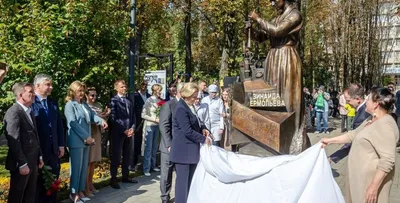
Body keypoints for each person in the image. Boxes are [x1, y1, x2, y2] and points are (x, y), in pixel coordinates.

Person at [248, 0, 307, 153]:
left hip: (287, 58)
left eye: (275, 0)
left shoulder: (295, 15)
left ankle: (291, 137)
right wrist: (250, 30)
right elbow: (262, 38)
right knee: (272, 96)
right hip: (273, 58)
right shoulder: (276, 18)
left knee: (288, 98)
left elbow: (276, 31)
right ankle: (272, 134)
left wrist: (258, 18)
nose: (273, 3)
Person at [322, 87, 398, 203]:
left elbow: (387, 160)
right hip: (359, 179)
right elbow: (352, 135)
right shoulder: (370, 119)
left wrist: (373, 187)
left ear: (376, 104)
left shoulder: (385, 125)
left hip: (368, 182)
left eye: (368, 99)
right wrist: (329, 140)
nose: (365, 101)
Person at [64, 81, 108, 203]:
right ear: (73, 91)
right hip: (77, 140)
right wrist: (86, 137)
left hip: (86, 141)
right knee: (76, 168)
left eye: (83, 91)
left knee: (83, 168)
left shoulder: (84, 104)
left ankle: (81, 190)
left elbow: (92, 116)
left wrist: (101, 121)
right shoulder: (70, 105)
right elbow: (73, 124)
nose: (82, 93)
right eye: (79, 91)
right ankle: (73, 193)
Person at [170, 82, 212, 203]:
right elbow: (187, 131)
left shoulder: (190, 106)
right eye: (193, 96)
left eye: (196, 96)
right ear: (186, 95)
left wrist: (203, 129)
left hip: (190, 151)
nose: (196, 98)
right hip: (183, 152)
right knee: (183, 185)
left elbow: (196, 122)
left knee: (190, 183)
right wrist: (204, 139)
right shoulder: (181, 108)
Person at [5, 82, 44, 203]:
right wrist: (22, 163)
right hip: (21, 164)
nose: (33, 95)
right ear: (20, 94)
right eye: (30, 92)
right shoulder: (14, 112)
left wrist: (40, 156)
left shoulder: (29, 111)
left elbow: (34, 136)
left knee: (30, 195)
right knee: (17, 196)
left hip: (33, 161)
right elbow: (14, 140)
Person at [31, 74, 65, 203]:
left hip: (53, 149)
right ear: (37, 86)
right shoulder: (31, 102)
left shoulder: (52, 102)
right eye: (47, 85)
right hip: (39, 150)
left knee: (53, 179)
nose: (51, 87)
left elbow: (59, 125)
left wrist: (61, 145)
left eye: (51, 84)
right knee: (39, 182)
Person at [329, 84, 370, 163]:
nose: (347, 104)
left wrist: (333, 157)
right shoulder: (364, 109)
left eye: (348, 101)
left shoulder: (363, 115)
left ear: (357, 99)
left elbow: (353, 140)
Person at [109, 80, 137, 189]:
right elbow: (113, 118)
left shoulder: (129, 100)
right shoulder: (114, 101)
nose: (124, 88)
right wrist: (123, 130)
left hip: (129, 133)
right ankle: (114, 179)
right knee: (116, 156)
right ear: (116, 88)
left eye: (125, 86)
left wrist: (132, 128)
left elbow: (133, 116)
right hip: (118, 133)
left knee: (127, 155)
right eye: (122, 87)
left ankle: (125, 176)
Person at [159, 83, 183, 203]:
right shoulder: (168, 105)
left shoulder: (187, 105)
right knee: (166, 173)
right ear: (180, 92)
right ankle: (165, 197)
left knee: (180, 173)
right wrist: (169, 144)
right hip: (169, 146)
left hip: (182, 146)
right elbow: (164, 126)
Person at [85, 87, 110, 196]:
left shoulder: (98, 106)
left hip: (97, 134)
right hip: (89, 134)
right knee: (88, 162)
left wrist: (105, 115)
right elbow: (88, 120)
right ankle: (85, 186)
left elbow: (102, 121)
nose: (94, 98)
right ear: (86, 95)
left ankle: (90, 184)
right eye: (92, 95)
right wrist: (100, 117)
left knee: (93, 161)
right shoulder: (85, 106)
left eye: (95, 95)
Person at [141, 84, 162, 176]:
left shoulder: (160, 101)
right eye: (159, 90)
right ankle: (146, 168)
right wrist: (154, 119)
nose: (160, 92)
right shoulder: (149, 100)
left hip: (157, 126)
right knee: (148, 147)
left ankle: (153, 165)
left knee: (154, 147)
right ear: (154, 91)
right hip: (150, 125)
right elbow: (143, 114)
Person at [132, 81, 150, 171]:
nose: (144, 86)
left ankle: (145, 162)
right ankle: (134, 163)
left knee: (146, 142)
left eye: (146, 85)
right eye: (143, 84)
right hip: (139, 122)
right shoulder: (135, 96)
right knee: (136, 143)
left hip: (148, 122)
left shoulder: (149, 96)